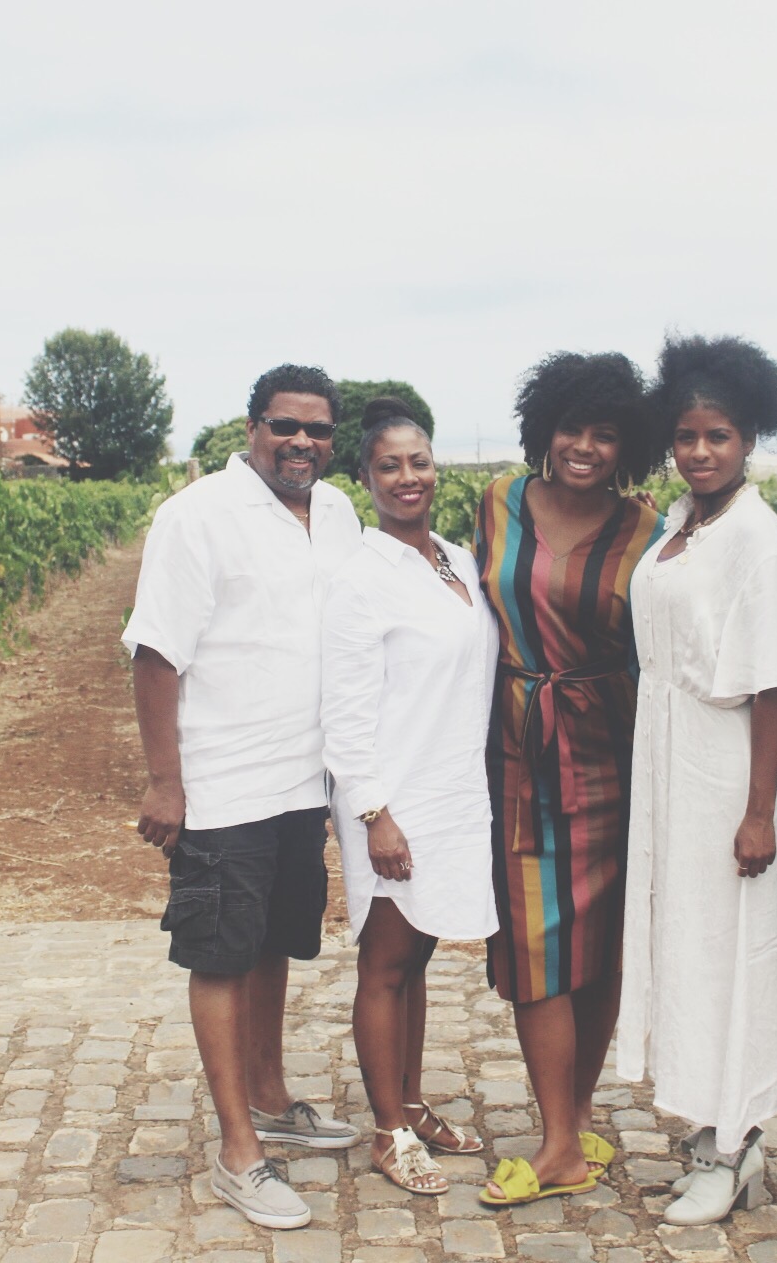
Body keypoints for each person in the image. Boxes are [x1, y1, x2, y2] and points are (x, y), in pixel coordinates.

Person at [618, 335, 777, 1226]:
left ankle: (736, 1142)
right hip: (669, 759)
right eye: (686, 436)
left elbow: (771, 688)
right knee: (685, 948)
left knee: (731, 955)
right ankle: (707, 1130)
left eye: (717, 436)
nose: (699, 451)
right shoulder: (681, 523)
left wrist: (760, 812)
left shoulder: (755, 538)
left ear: (749, 438)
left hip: (728, 770)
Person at [122, 363, 363, 1231]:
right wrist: (166, 781)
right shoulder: (197, 517)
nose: (301, 442)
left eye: (318, 430)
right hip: (222, 783)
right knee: (221, 955)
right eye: (284, 425)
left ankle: (270, 1097)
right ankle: (238, 1152)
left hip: (304, 780)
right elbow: (156, 655)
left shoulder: (337, 512)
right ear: (253, 426)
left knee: (271, 944)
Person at [474, 351, 665, 1208]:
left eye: (606, 433)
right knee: (535, 947)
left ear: (629, 445)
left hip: (615, 752)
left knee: (600, 948)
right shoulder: (500, 503)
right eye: (571, 428)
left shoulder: (645, 530)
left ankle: (572, 1122)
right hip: (520, 751)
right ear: (543, 429)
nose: (584, 446)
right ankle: (557, 1141)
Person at [321, 398, 500, 1196]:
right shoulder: (362, 580)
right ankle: (389, 1132)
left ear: (435, 468)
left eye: (418, 462)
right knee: (386, 963)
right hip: (392, 802)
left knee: (418, 955)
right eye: (388, 465)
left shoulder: (455, 560)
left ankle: (413, 1103)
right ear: (365, 480)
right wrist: (374, 814)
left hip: (453, 789)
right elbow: (344, 712)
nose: (407, 476)